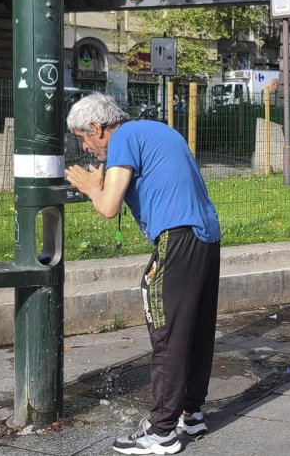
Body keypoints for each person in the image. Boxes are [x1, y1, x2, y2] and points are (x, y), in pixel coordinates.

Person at [65, 93, 220, 455]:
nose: (85, 148)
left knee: (167, 334)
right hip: (206, 236)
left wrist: (91, 188)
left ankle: (162, 432)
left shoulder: (122, 138)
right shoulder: (156, 130)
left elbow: (108, 206)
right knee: (195, 330)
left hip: (177, 238)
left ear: (96, 128)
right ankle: (192, 413)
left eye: (82, 138)